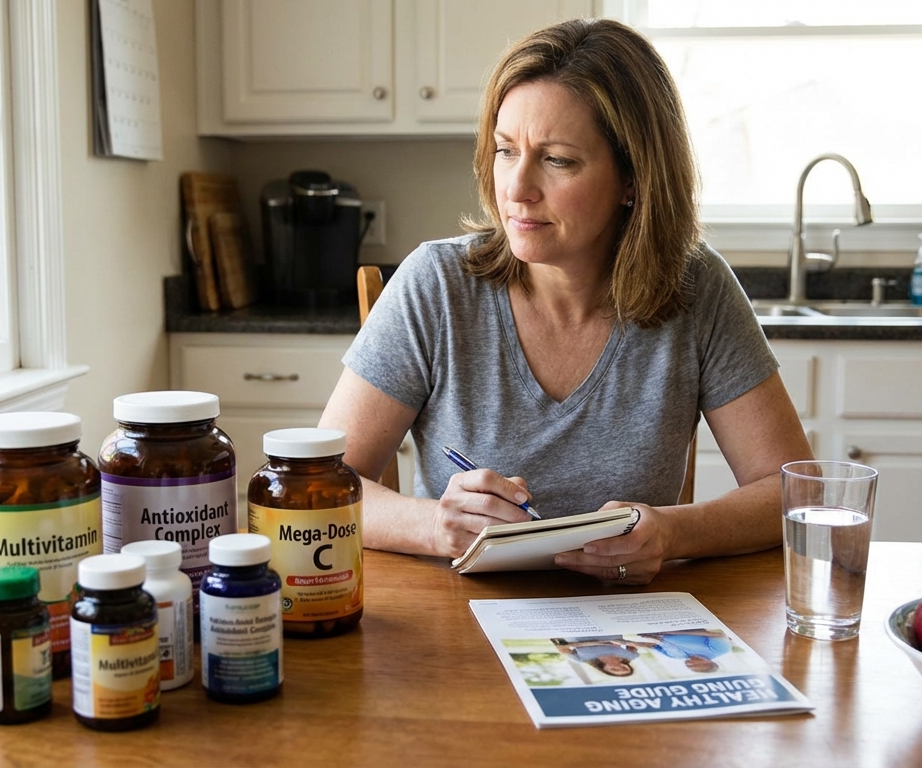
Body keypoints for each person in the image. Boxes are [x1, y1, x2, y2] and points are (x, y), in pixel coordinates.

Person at [318, 18, 812, 584]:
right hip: (460, 621)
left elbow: (788, 490)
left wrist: (675, 532)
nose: (517, 187)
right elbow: (322, 484)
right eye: (506, 151)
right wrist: (435, 525)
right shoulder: (436, 284)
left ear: (632, 178)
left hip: (629, 626)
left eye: (557, 160)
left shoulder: (697, 291)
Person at [550, 637, 643, 678]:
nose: (618, 667)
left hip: (576, 633)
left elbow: (561, 647)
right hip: (607, 629)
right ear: (628, 666)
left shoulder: (581, 659)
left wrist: (598, 643)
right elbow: (631, 643)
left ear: (605, 669)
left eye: (614, 669)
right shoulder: (632, 655)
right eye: (623, 668)